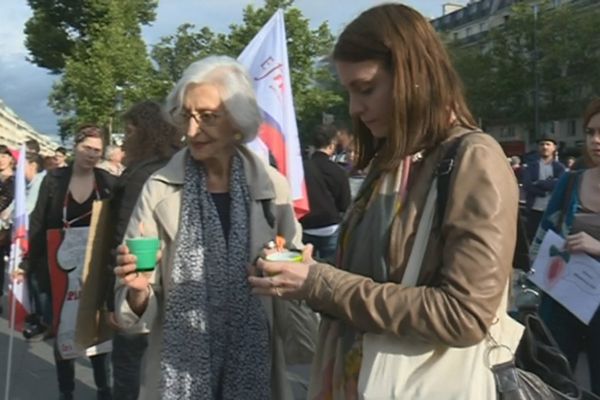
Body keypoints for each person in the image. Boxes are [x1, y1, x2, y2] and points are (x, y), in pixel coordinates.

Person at [249, 4, 519, 399]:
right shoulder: (392, 159)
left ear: (414, 77)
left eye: (366, 88)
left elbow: (465, 315)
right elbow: (371, 281)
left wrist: (321, 283)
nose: (355, 108)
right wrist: (306, 274)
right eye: (349, 91)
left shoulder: (474, 158)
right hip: (360, 378)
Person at [113, 56, 317, 400]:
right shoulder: (160, 188)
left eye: (207, 117)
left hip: (256, 364)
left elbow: (293, 268)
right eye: (187, 116)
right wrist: (136, 291)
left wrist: (298, 268)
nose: (192, 130)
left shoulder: (272, 188)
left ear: (238, 122)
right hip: (178, 371)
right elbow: (132, 304)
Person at [19, 125, 115, 400]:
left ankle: (103, 388)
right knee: (64, 329)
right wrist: (27, 262)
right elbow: (38, 222)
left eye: (98, 150)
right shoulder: (54, 180)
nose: (92, 155)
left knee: (97, 331)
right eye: (88, 148)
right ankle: (66, 391)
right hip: (58, 269)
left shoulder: (106, 181)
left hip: (95, 269)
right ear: (76, 146)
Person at [108, 100, 182, 400]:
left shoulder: (143, 175)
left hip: (140, 282)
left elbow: (125, 239)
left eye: (129, 131)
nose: (124, 140)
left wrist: (112, 300)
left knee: (126, 363)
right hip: (173, 284)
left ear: (146, 133)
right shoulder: (178, 165)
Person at [530, 99, 600, 395]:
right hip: (564, 303)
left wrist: (597, 247)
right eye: (590, 132)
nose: (596, 140)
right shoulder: (571, 181)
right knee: (553, 382)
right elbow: (541, 240)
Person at [299, 124, 351, 260]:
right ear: (332, 144)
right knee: (330, 269)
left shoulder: (300, 168)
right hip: (330, 226)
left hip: (305, 225)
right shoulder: (339, 171)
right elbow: (345, 204)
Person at [522, 135, 566, 241]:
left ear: (554, 147)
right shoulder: (531, 166)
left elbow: (560, 185)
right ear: (538, 147)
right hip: (534, 210)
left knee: (551, 240)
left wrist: (539, 183)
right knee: (532, 238)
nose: (545, 147)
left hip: (553, 210)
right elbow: (527, 185)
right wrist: (545, 191)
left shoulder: (560, 167)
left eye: (548, 144)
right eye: (542, 144)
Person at [0, 145, 15, 314]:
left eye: (4, 155)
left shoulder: (14, 179)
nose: (1, 159)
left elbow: (9, 199)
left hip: (8, 226)